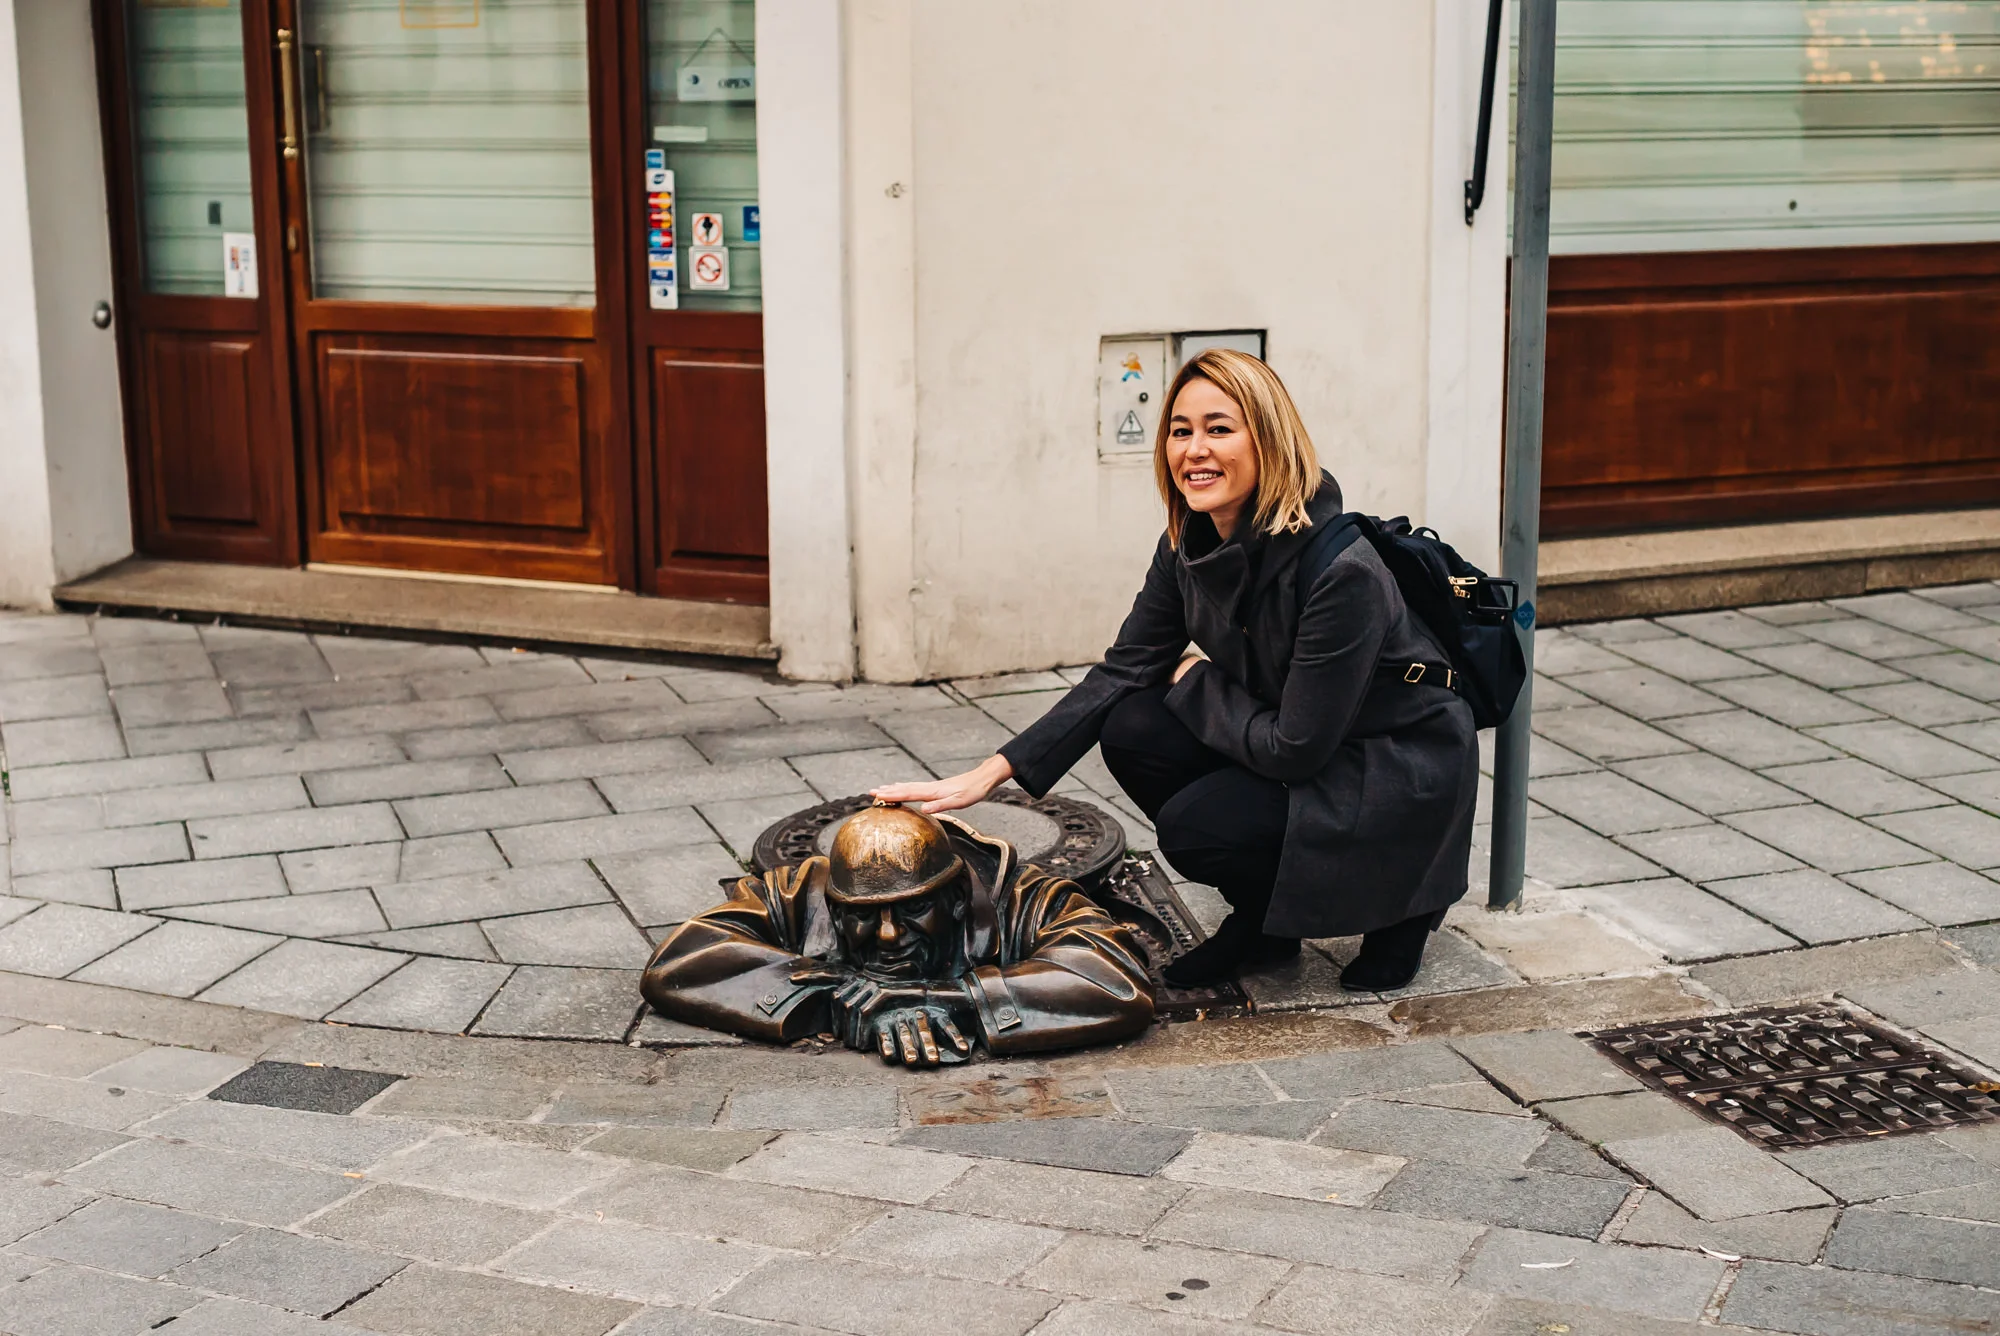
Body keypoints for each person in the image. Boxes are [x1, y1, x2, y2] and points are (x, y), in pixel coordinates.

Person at [873, 349, 1478, 990]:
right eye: (1180, 430)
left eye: (1219, 429)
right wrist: (991, 774)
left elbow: (1295, 750)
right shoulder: (1188, 542)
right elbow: (1126, 668)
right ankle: (1266, 921)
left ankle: (1406, 906)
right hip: (1295, 730)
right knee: (1134, 726)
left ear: (1269, 440)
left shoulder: (1341, 572)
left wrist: (1192, 679)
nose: (1195, 450)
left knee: (1199, 827)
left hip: (1395, 763)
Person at [639, 803, 1154, 1064]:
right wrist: (836, 999)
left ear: (956, 898)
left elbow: (1115, 984)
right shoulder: (805, 890)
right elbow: (679, 963)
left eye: (914, 910)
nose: (887, 935)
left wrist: (942, 999)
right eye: (863, 914)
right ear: (835, 907)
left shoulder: (1027, 899)